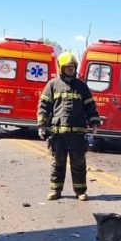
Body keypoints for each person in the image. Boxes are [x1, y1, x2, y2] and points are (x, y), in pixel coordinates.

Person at [37, 52, 101, 201]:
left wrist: (94, 123)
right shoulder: (52, 85)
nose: (70, 70)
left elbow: (90, 105)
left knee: (78, 162)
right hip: (58, 133)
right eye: (68, 67)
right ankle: (55, 190)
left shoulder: (81, 86)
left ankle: (80, 191)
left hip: (77, 133)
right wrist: (41, 124)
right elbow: (44, 106)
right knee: (58, 162)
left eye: (72, 67)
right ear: (61, 68)